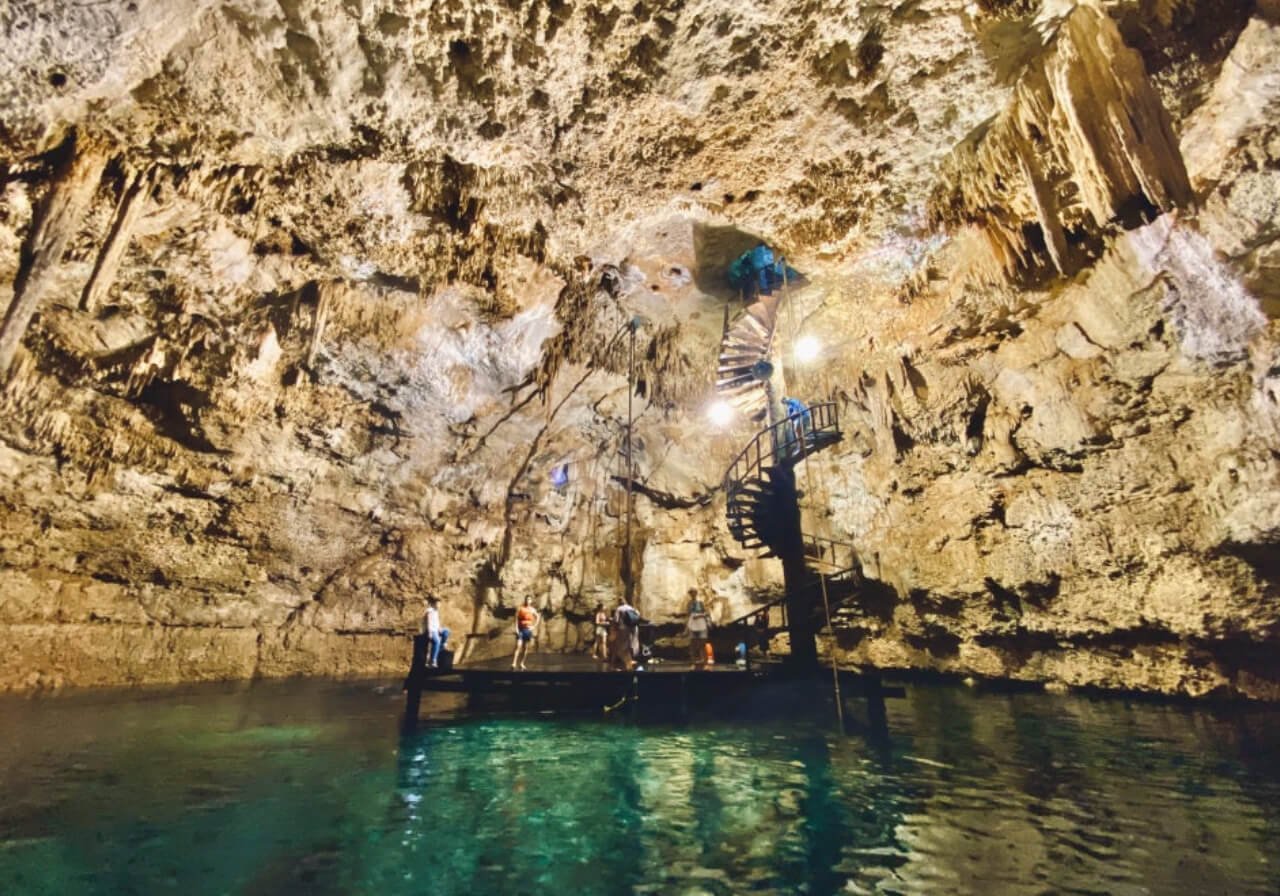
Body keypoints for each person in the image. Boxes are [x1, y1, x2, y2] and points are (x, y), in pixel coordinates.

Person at [611, 597, 641, 671]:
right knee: (631, 645)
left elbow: (616, 620)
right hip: (634, 628)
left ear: (619, 602)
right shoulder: (631, 608)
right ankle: (629, 661)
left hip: (623, 629)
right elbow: (638, 616)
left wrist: (614, 630)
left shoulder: (619, 609)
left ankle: (627, 665)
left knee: (622, 647)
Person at [512, 597, 540, 670]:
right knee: (518, 646)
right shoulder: (520, 608)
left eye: (529, 599)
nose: (528, 601)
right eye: (527, 599)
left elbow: (537, 617)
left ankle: (522, 663)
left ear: (531, 601)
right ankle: (514, 663)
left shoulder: (532, 609)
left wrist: (533, 626)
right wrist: (516, 628)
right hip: (521, 629)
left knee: (525, 648)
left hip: (528, 630)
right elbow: (516, 618)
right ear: (525, 600)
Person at [686, 591, 712, 669]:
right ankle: (693, 662)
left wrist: (706, 620)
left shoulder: (700, 603)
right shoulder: (689, 604)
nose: (693, 595)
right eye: (691, 593)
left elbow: (706, 613)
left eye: (694, 593)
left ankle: (705, 662)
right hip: (692, 624)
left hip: (701, 624)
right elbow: (689, 614)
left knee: (703, 644)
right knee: (692, 644)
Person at [421, 596, 450, 668]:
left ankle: (441, 647)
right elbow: (429, 622)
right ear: (433, 604)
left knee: (446, 631)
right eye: (437, 604)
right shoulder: (430, 611)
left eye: (440, 604)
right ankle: (433, 661)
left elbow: (436, 622)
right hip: (429, 630)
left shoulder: (436, 611)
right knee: (436, 641)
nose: (439, 605)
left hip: (435, 629)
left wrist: (439, 628)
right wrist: (430, 633)